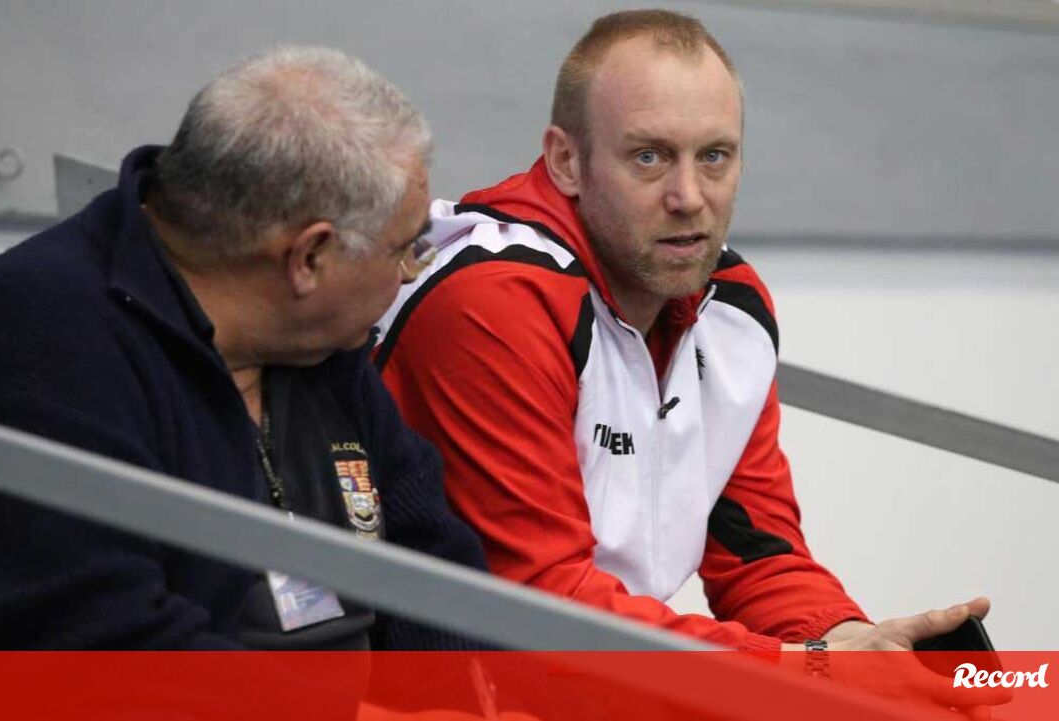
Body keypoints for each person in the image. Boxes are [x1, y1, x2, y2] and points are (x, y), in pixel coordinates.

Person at [376, 9, 1005, 714]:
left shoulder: (729, 302)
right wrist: (812, 671)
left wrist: (852, 643)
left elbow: (758, 554)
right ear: (565, 162)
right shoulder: (495, 301)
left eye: (714, 156)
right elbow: (545, 608)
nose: (689, 198)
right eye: (649, 157)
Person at [0, 46, 486, 653]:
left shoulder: (315, 342)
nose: (409, 271)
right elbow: (103, 651)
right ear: (309, 257)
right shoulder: (43, 344)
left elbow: (433, 566)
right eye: (404, 248)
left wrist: (466, 700)